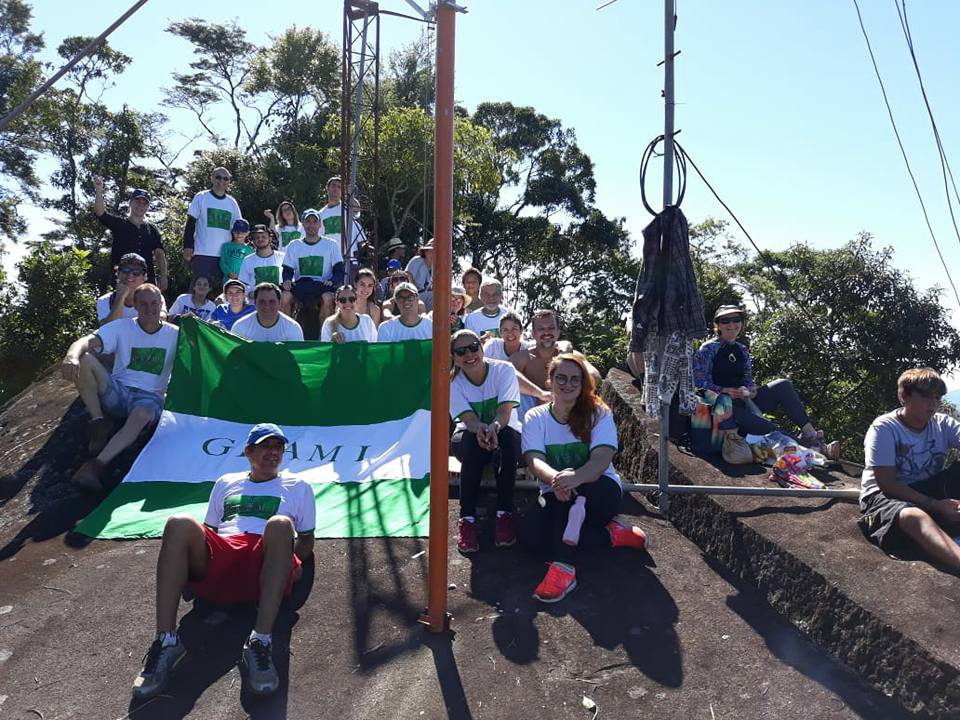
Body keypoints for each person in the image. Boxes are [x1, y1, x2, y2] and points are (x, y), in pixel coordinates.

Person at [130, 422, 315, 700]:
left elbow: (307, 539)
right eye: (265, 445)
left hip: (264, 558)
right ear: (248, 451)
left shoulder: (298, 486)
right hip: (224, 554)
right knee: (178, 522)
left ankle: (260, 641)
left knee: (278, 524)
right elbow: (210, 532)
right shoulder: (226, 483)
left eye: (278, 447)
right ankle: (166, 641)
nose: (273, 452)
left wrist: (291, 565)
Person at [520, 353, 648, 602]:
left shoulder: (598, 413)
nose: (567, 385)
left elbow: (601, 459)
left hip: (600, 490)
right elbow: (534, 460)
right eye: (561, 378)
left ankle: (564, 569)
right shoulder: (535, 417)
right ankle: (612, 535)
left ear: (583, 384)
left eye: (574, 380)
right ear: (550, 381)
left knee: (569, 507)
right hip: (557, 490)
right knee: (531, 538)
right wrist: (557, 479)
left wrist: (575, 478)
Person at [60, 284, 178, 491]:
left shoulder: (176, 335)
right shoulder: (123, 327)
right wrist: (71, 355)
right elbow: (88, 341)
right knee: (85, 358)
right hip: (119, 391)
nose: (149, 308)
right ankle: (99, 422)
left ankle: (95, 466)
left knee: (142, 414)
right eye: (143, 303)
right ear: (136, 305)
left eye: (153, 303)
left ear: (161, 304)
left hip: (150, 398)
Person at [692, 305, 839, 456]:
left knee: (783, 385)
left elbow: (748, 379)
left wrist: (752, 390)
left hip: (744, 402)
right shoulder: (708, 349)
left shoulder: (742, 350)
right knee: (769, 427)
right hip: (723, 409)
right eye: (725, 320)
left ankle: (811, 435)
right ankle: (816, 451)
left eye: (736, 319)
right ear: (717, 325)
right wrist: (724, 391)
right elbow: (698, 383)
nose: (731, 324)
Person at [857, 368, 960, 571]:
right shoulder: (884, 428)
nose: (933, 403)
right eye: (924, 396)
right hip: (885, 495)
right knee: (913, 516)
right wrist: (935, 505)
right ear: (903, 396)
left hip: (928, 487)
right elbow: (887, 483)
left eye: (937, 397)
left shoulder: (942, 424)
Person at [449, 329, 521, 553]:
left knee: (508, 445)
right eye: (461, 351)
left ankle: (504, 514)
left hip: (504, 429)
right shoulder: (452, 382)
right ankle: (467, 518)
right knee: (470, 446)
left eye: (473, 347)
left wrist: (493, 428)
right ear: (454, 357)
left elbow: (504, 413)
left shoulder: (504, 370)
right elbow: (468, 419)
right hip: (471, 433)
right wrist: (480, 429)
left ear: (481, 348)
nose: (469, 355)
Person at [93, 176, 167, 291]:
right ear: (130, 203)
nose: (140, 205)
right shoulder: (119, 224)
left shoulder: (152, 229)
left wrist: (163, 277)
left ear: (148, 206)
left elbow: (160, 255)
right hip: (123, 279)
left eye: (144, 203)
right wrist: (99, 190)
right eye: (137, 201)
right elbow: (100, 213)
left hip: (146, 282)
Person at [282, 208, 344, 339]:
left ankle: (324, 338)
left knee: (328, 299)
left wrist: (332, 281)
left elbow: (339, 271)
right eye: (308, 221)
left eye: (314, 221)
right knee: (285, 297)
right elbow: (287, 270)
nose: (311, 225)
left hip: (322, 286)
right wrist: (287, 280)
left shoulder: (331, 244)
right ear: (303, 224)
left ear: (320, 224)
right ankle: (285, 335)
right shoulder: (294, 245)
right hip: (301, 286)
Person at [183, 166, 242, 288]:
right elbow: (190, 223)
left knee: (225, 291)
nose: (222, 181)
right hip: (203, 253)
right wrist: (188, 246)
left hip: (226, 255)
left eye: (226, 179)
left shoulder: (232, 202)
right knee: (198, 291)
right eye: (218, 177)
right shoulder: (201, 197)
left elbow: (238, 229)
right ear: (212, 178)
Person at [485, 311, 551, 404]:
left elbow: (558, 344)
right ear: (500, 332)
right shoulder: (493, 346)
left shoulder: (528, 348)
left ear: (521, 330)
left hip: (523, 396)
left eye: (514, 329)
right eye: (505, 330)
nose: (510, 333)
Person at [96, 253, 168, 325]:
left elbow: (161, 320)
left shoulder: (154, 296)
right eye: (125, 270)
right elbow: (107, 328)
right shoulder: (105, 300)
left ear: (144, 277)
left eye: (136, 271)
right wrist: (120, 298)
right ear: (118, 274)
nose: (130, 275)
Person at [232, 283, 305, 342]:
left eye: (272, 302)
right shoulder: (240, 326)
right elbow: (235, 357)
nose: (267, 306)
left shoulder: (292, 328)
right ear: (254, 303)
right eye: (262, 302)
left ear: (279, 303)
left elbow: (297, 357)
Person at [238, 223, 285, 301]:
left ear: (270, 239)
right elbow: (243, 284)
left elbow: (290, 280)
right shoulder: (247, 260)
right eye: (257, 237)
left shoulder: (282, 257)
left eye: (264, 237)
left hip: (278, 300)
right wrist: (250, 294)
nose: (260, 239)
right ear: (253, 240)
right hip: (255, 301)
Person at [405, 238, 435, 311]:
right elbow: (408, 275)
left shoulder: (434, 267)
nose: (433, 254)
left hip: (424, 295)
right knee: (433, 297)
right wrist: (414, 293)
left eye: (436, 252)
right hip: (411, 294)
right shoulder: (417, 260)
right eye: (431, 251)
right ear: (425, 252)